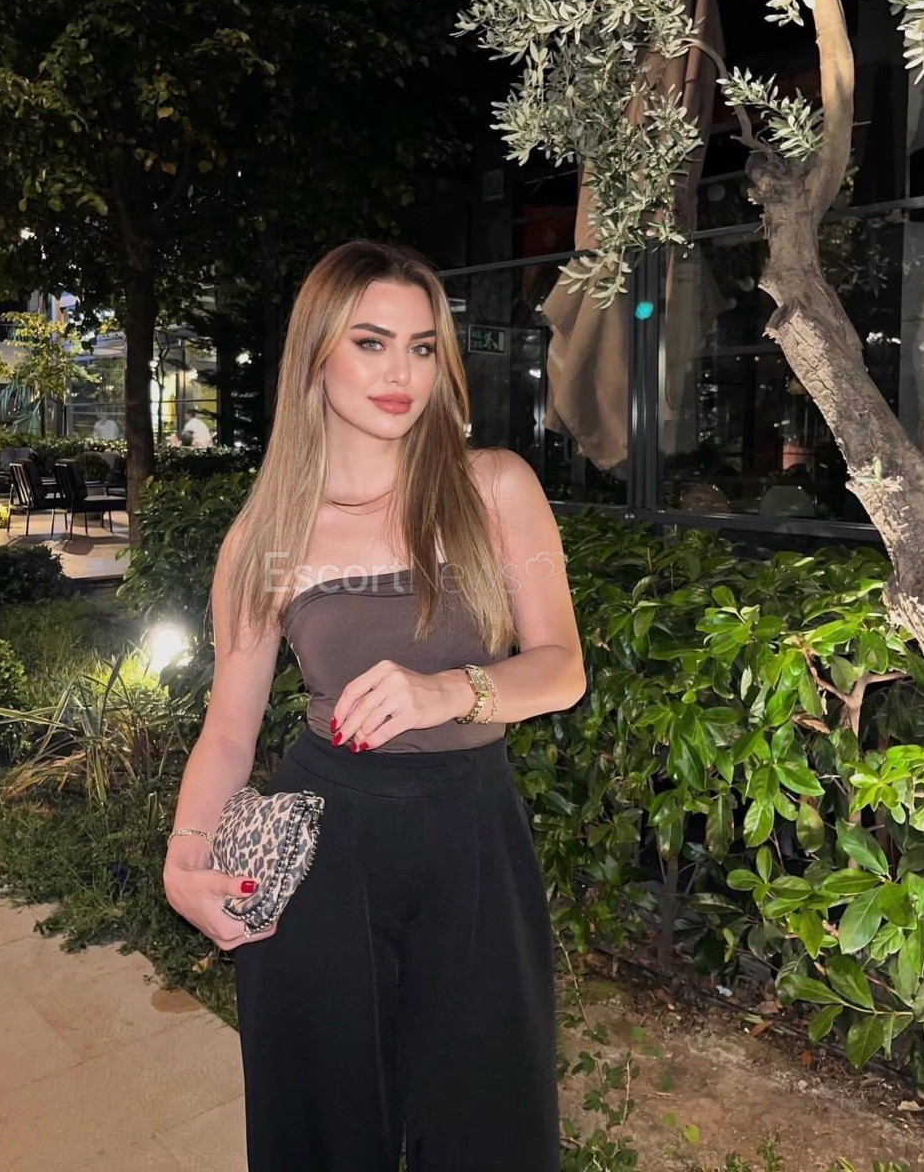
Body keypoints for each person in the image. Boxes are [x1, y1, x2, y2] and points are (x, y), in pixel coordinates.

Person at [162, 240, 585, 1172]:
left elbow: (561, 669)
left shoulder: (494, 487)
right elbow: (228, 727)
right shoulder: (266, 537)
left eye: (422, 347)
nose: (402, 373)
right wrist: (183, 858)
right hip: (326, 846)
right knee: (321, 1136)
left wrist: (453, 690)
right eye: (371, 343)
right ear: (316, 354)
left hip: (474, 840)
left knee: (491, 1132)